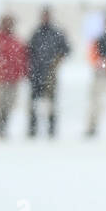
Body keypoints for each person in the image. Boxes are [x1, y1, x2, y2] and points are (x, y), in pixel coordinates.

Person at [0, 15, 29, 137]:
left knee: (8, 105)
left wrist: (22, 73)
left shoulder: (16, 41)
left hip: (12, 79)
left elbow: (22, 59)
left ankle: (3, 128)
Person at [26, 7, 71, 138]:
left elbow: (67, 49)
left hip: (51, 73)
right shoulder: (36, 33)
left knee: (51, 103)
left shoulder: (56, 33)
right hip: (36, 73)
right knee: (34, 103)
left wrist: (57, 60)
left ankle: (51, 130)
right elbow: (29, 51)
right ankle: (32, 129)